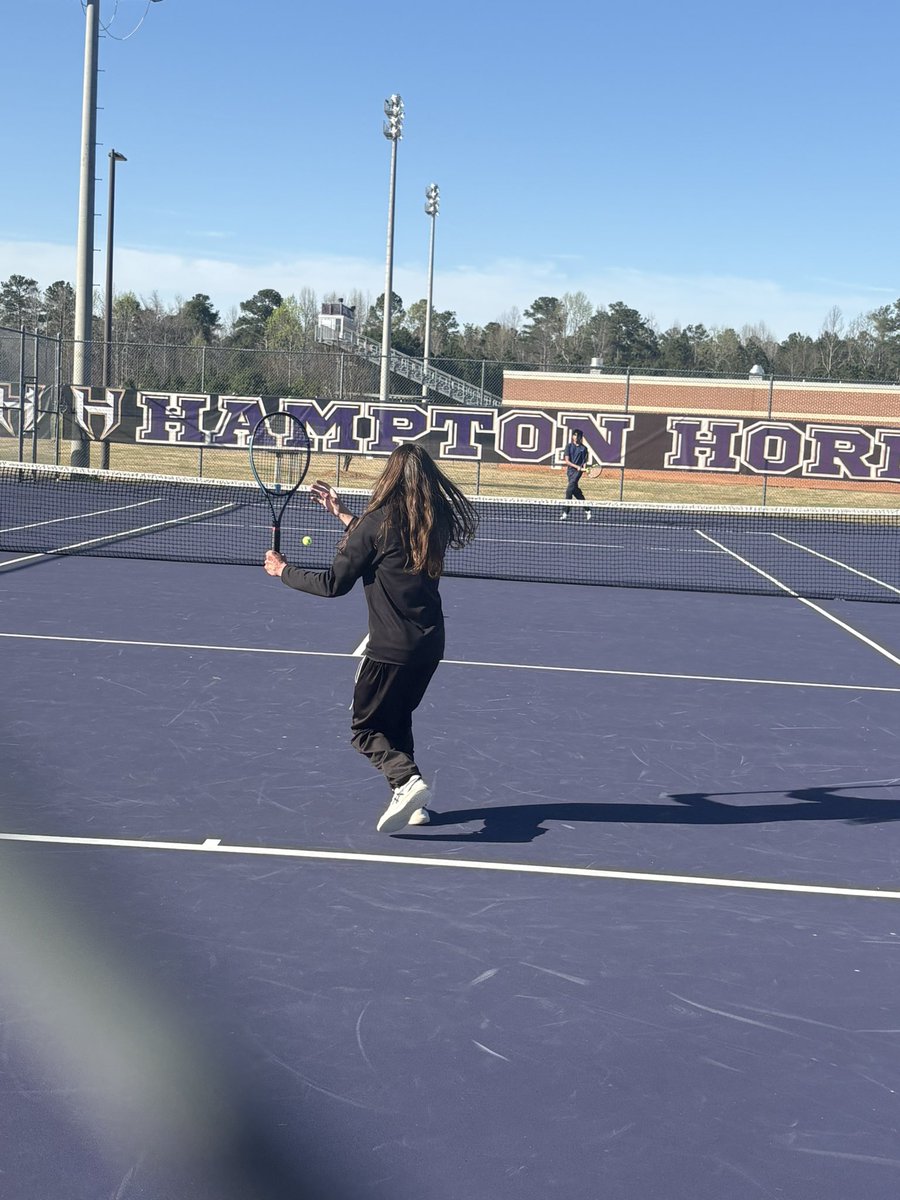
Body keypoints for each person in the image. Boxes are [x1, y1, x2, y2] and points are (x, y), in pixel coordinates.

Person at [263, 444, 478, 834]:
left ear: (390, 477)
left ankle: (407, 781)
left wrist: (283, 571)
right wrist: (344, 515)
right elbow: (384, 544)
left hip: (390, 649)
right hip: (430, 646)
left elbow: (332, 584)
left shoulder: (376, 523)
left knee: (365, 730)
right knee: (397, 719)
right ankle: (414, 805)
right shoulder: (434, 523)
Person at [559, 428, 596, 520]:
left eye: (578, 436)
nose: (576, 437)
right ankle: (587, 510)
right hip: (570, 471)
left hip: (578, 472)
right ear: (572, 436)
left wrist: (584, 469)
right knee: (576, 491)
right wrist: (576, 466)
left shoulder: (584, 449)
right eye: (574, 435)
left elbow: (584, 462)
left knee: (569, 490)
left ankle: (565, 512)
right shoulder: (568, 446)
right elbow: (567, 461)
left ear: (581, 437)